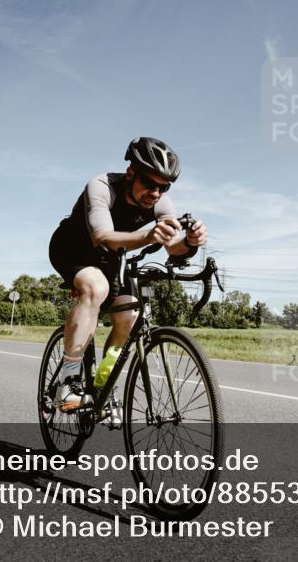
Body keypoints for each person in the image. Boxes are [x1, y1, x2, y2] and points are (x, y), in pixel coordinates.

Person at [48, 137, 208, 412]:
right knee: (95, 288)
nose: (156, 193)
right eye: (149, 183)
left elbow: (173, 248)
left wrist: (191, 244)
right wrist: (146, 236)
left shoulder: (161, 204)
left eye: (163, 186)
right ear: (131, 172)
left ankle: (100, 383)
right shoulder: (102, 186)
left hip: (113, 259)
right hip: (74, 249)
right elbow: (103, 237)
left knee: (128, 319)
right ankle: (69, 380)